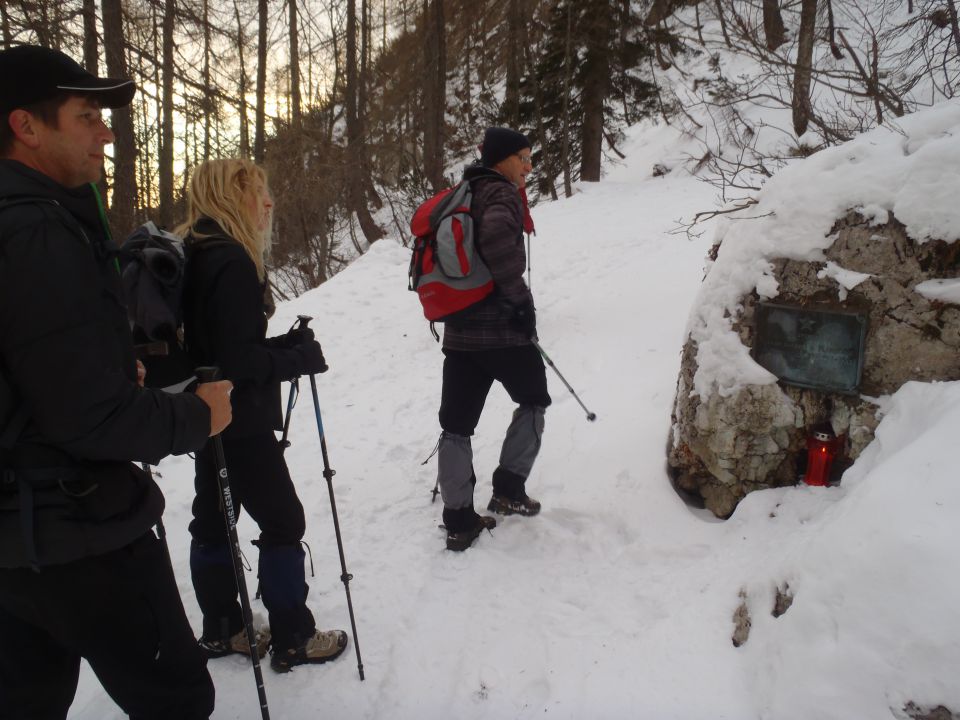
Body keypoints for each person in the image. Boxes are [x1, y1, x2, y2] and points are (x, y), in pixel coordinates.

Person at [0, 45, 233, 720]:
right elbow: (92, 421)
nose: (105, 131)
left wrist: (99, 365)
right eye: (86, 114)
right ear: (26, 126)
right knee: (176, 701)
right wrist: (199, 416)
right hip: (79, 531)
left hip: (13, 543)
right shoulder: (38, 233)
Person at [178, 158, 348, 673]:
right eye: (256, 191)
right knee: (281, 519)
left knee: (211, 519)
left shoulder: (196, 250)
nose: (268, 201)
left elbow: (220, 343)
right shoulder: (230, 259)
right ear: (230, 197)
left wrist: (279, 345)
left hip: (202, 411)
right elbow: (240, 361)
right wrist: (295, 357)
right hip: (239, 414)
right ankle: (294, 636)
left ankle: (223, 627)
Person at [436, 126, 552, 552]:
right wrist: (521, 304)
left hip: (460, 333)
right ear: (502, 159)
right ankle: (507, 489)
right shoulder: (500, 195)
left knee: (455, 425)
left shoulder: (463, 192)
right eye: (523, 156)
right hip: (502, 332)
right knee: (535, 400)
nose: (528, 165)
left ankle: (458, 520)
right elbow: (500, 249)